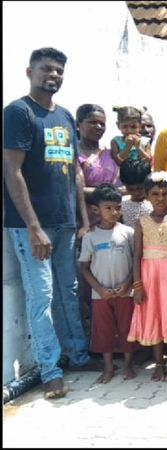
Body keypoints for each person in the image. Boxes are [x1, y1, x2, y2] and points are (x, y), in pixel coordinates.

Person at [4, 47, 99, 399]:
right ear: (29, 71)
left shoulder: (64, 116)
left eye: (59, 70)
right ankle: (49, 370)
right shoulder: (18, 113)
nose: (53, 75)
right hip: (32, 225)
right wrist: (32, 225)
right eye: (46, 69)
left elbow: (74, 172)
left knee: (68, 291)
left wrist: (82, 218)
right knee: (41, 295)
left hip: (65, 222)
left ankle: (76, 354)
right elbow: (11, 171)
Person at [127, 171, 167, 382]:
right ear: (147, 196)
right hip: (150, 276)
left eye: (165, 193)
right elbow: (137, 255)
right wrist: (137, 284)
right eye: (155, 194)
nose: (161, 198)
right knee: (155, 317)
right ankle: (159, 363)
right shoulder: (142, 222)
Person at [78, 184, 138, 384]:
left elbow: (136, 261)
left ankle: (128, 365)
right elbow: (84, 267)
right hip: (100, 295)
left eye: (117, 207)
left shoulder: (128, 233)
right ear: (96, 210)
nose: (114, 212)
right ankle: (109, 366)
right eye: (108, 208)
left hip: (125, 293)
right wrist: (100, 290)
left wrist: (128, 284)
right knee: (103, 331)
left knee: (126, 329)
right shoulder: (90, 238)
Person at [76, 104, 122, 227]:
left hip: (111, 220)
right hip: (82, 220)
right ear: (78, 124)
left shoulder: (111, 153)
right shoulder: (73, 154)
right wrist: (118, 192)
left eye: (102, 124)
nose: (98, 127)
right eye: (93, 122)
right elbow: (77, 190)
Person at [119, 159, 153, 227]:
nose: (136, 193)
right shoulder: (121, 204)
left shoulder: (157, 201)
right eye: (131, 189)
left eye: (140, 188)